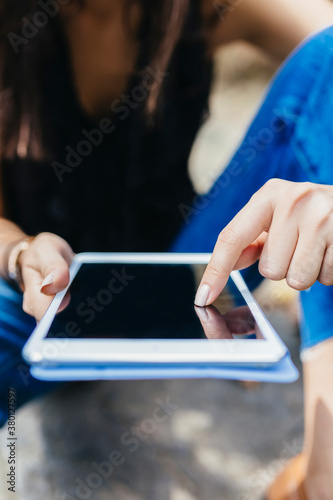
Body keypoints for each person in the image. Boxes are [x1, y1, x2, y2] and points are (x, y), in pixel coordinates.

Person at [0, 1, 333, 498]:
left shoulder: (199, 8)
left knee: (326, 62)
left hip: (197, 281)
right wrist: (20, 253)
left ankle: (324, 473)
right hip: (43, 302)